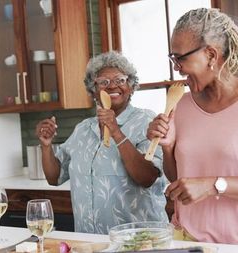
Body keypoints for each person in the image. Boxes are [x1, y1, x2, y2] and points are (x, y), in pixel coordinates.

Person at [146, 8, 238, 245]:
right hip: (187, 241)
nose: (177, 67)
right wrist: (167, 147)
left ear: (211, 55)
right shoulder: (182, 105)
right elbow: (179, 181)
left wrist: (213, 185)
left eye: (181, 58)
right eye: (173, 58)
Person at [36, 51, 168, 234]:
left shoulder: (146, 122)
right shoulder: (82, 129)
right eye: (103, 82)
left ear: (130, 86)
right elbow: (54, 177)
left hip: (137, 242)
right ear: (94, 90)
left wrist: (116, 131)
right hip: (90, 243)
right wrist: (46, 145)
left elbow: (147, 178)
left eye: (120, 80)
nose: (112, 85)